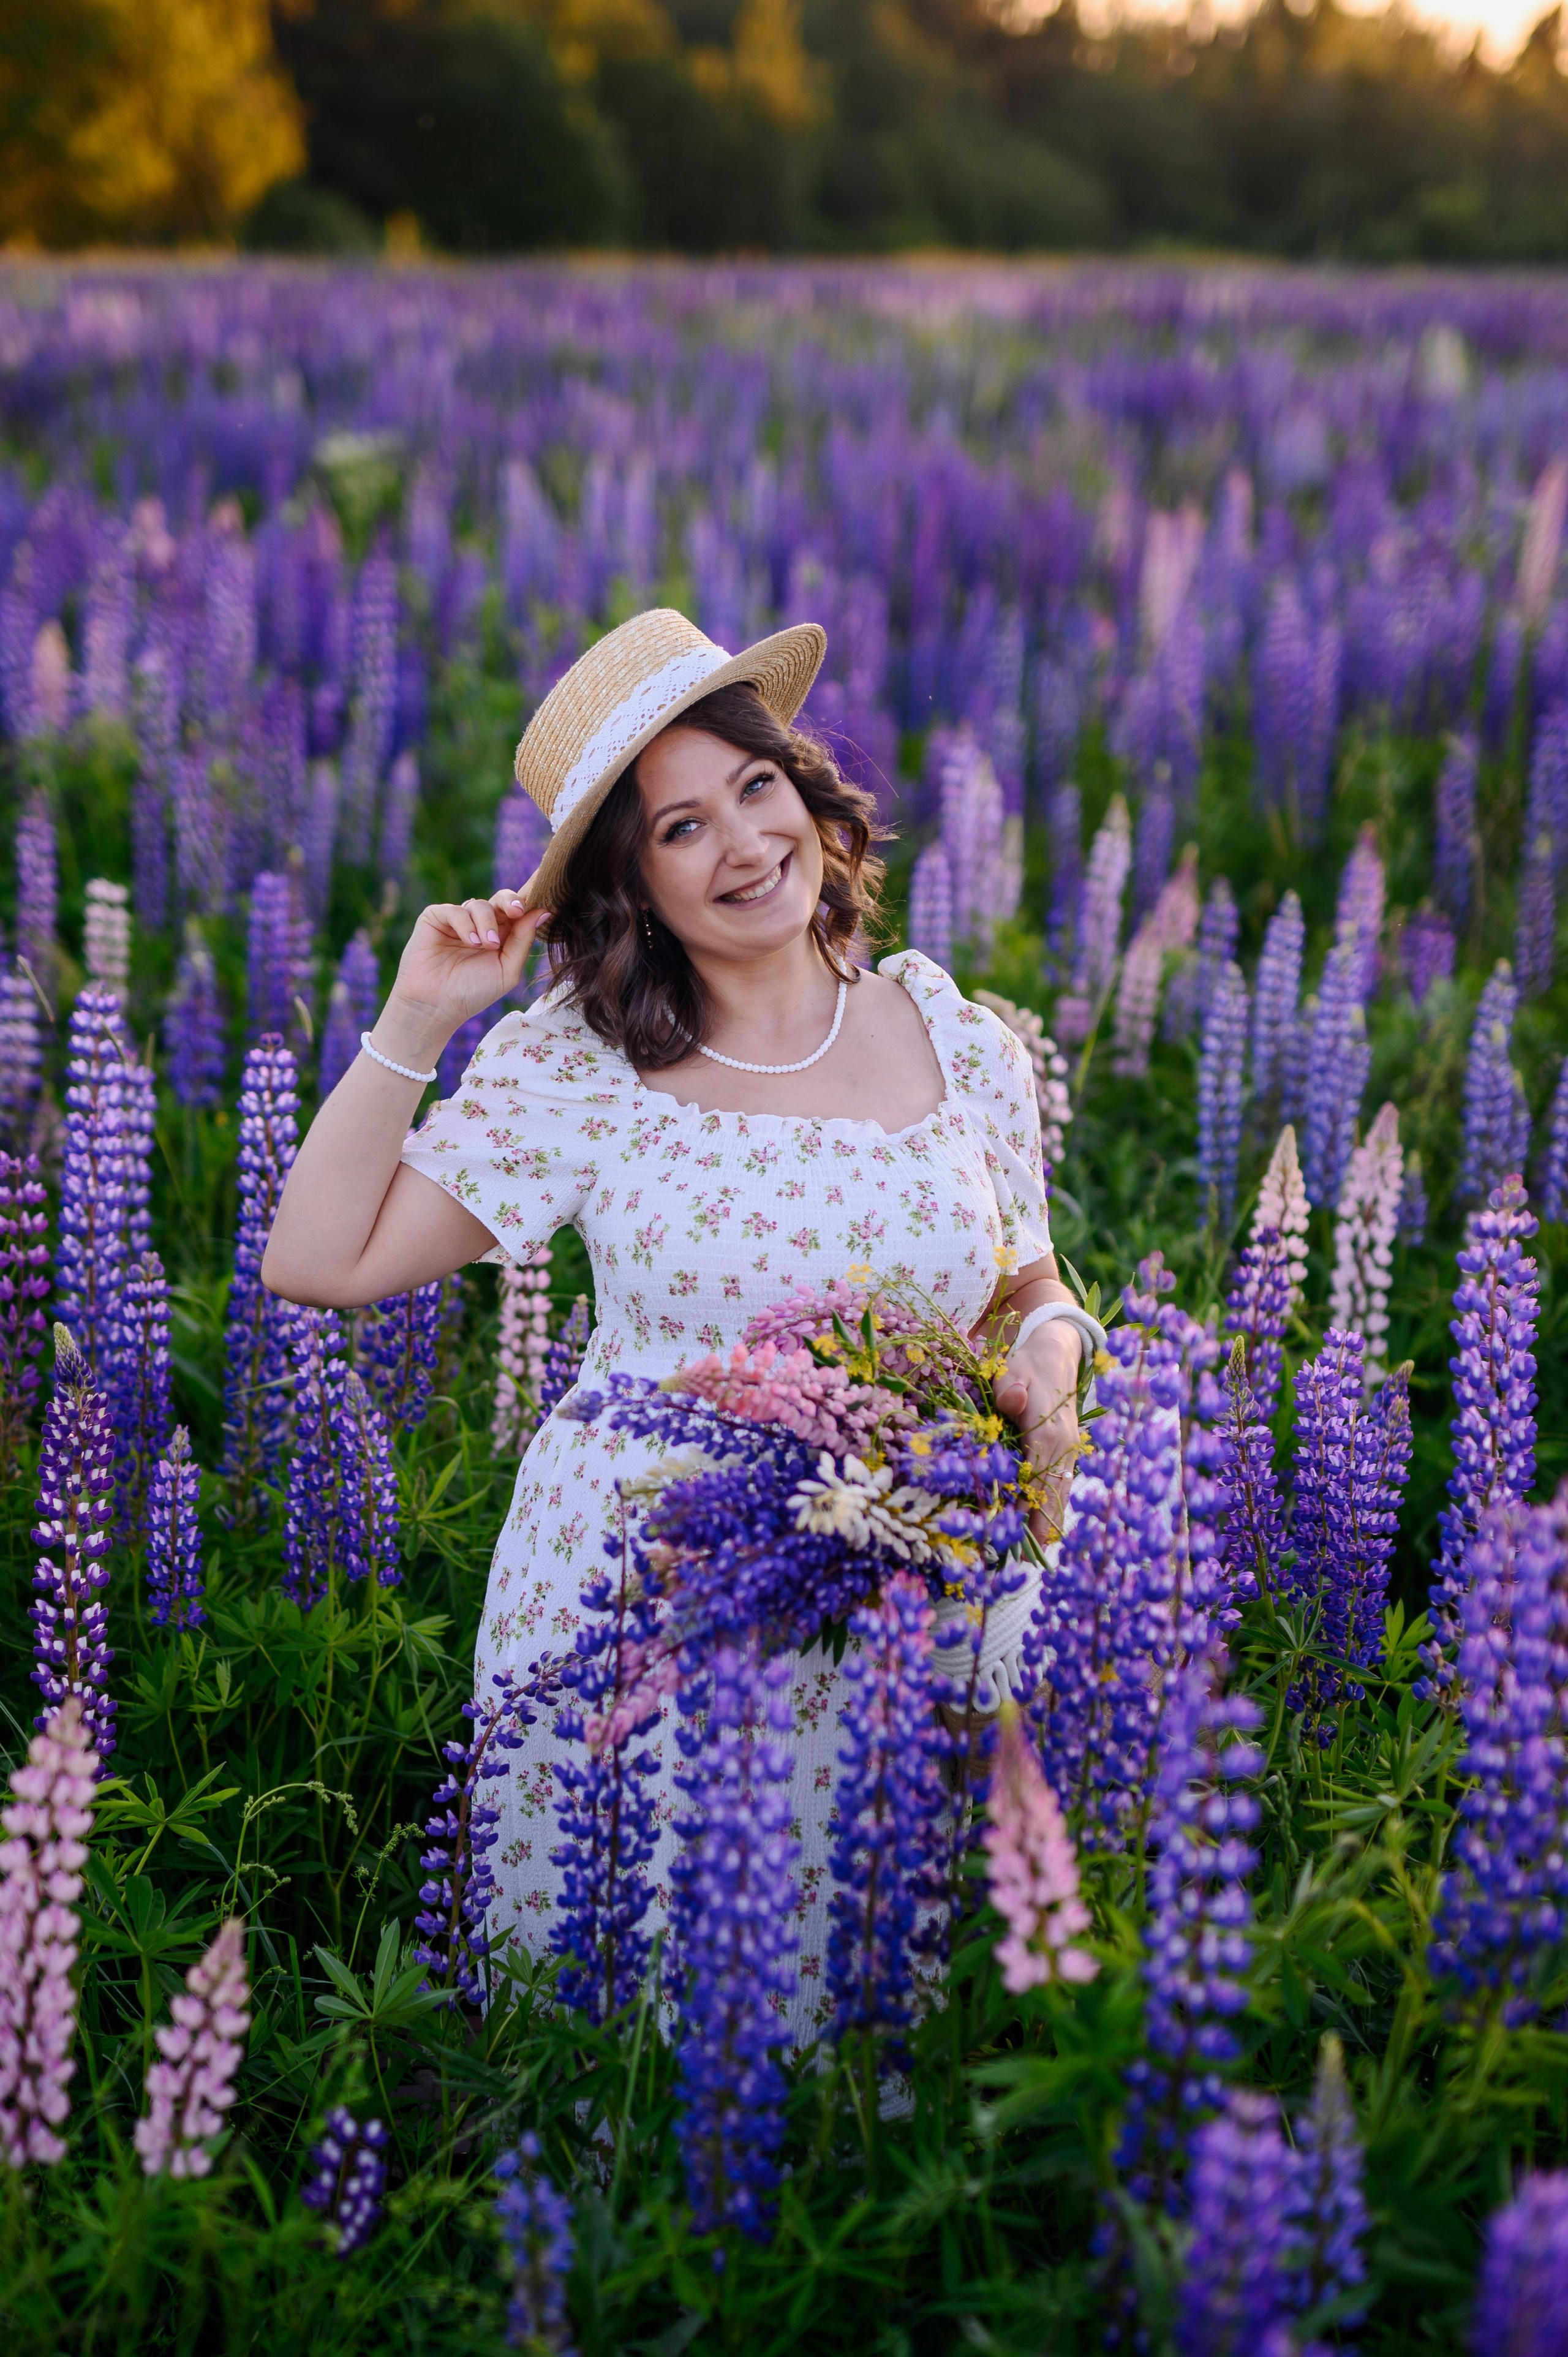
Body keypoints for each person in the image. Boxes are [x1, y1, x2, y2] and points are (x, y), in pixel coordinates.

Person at [262, 606, 1094, 2037]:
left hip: (915, 1597)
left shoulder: (954, 1031)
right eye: (679, 828)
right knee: (647, 2050)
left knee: (897, 2044)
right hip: (643, 1616)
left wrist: (1052, 1350)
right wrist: (416, 1014)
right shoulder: (583, 1071)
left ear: (811, 799)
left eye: (755, 788)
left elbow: (1026, 1267)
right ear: (631, 887)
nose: (743, 844)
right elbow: (315, 1257)